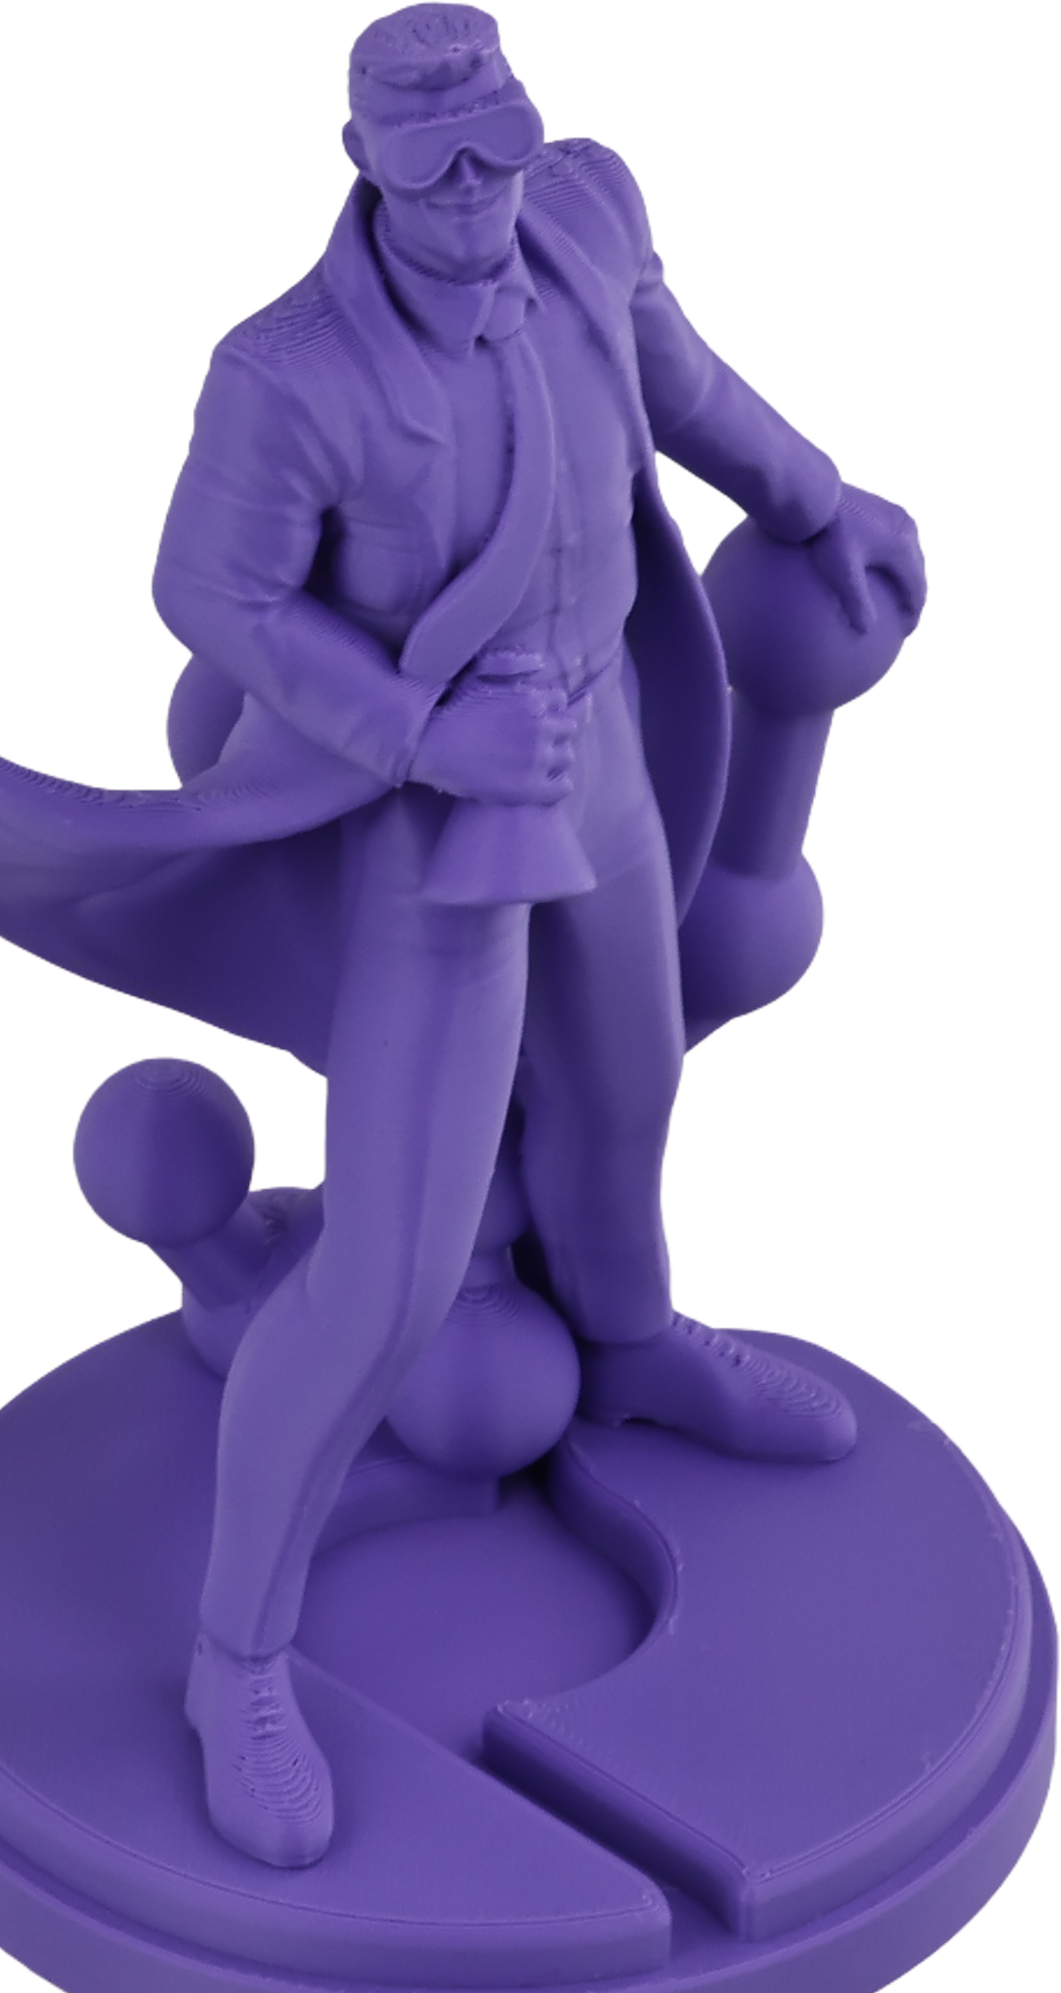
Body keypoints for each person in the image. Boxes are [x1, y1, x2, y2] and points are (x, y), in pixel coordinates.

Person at [146, 3, 928, 1869]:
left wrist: (817, 493)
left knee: (623, 1093)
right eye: (435, 171)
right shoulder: (291, 375)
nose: (478, 194)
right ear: (364, 170)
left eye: (496, 144)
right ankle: (234, 1657)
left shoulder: (582, 213)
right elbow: (209, 589)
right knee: (393, 1269)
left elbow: (683, 380)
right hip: (438, 827)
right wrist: (421, 736)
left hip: (605, 766)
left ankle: (634, 1341)